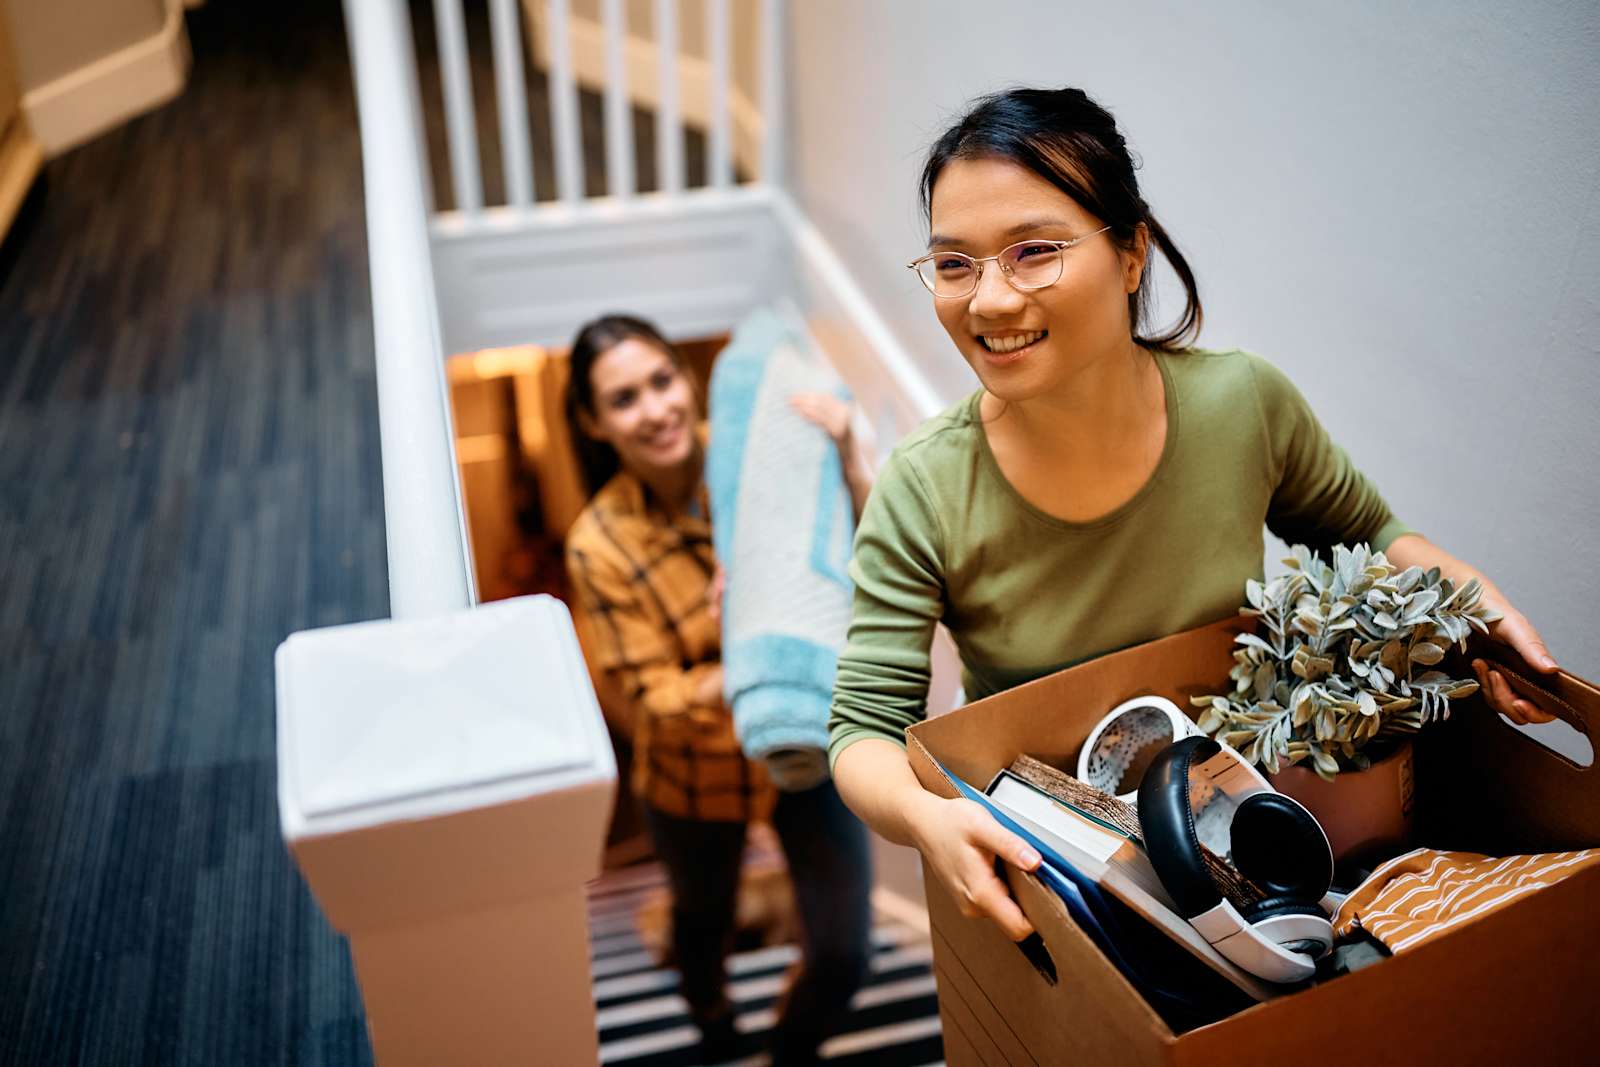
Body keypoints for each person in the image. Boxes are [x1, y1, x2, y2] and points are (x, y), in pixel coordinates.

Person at [826, 87, 1561, 943]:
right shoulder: (924, 487)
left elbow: (1372, 532)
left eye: (1033, 251)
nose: (987, 300)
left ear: (1132, 252)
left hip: (1258, 840)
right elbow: (861, 735)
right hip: (1065, 885)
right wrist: (927, 820)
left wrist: (1479, 608)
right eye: (954, 264)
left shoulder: (1242, 403)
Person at [562, 314, 876, 1066]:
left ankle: (789, 1052)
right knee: (701, 924)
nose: (657, 408)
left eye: (664, 380)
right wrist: (739, 645)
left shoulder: (756, 457)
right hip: (689, 777)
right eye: (625, 397)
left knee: (843, 951)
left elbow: (861, 555)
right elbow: (648, 700)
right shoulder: (597, 545)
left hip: (802, 733)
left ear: (689, 377)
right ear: (594, 421)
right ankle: (709, 1014)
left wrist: (850, 457)